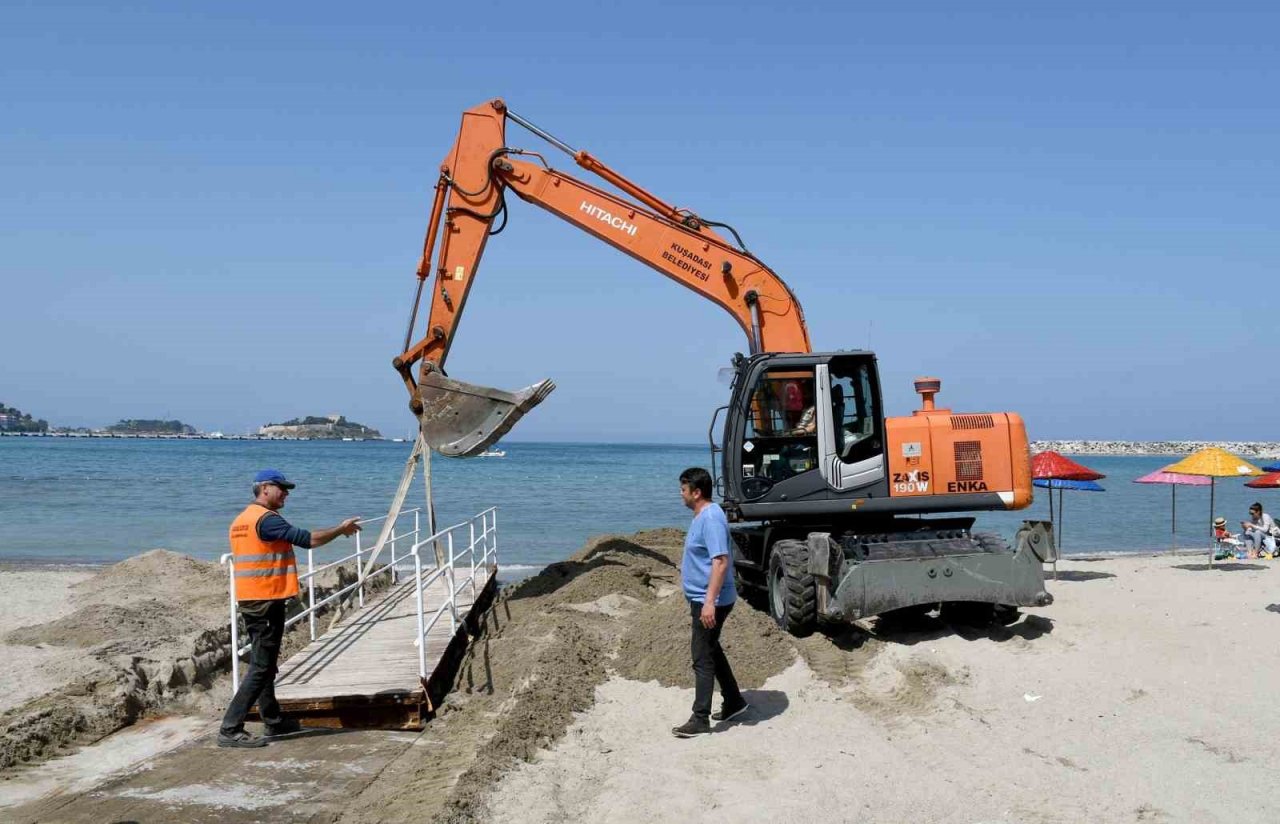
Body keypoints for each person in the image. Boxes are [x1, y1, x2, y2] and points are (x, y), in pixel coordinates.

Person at [218, 469, 362, 749]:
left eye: (287, 489)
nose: (286, 493)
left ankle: (273, 721)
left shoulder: (242, 519)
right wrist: (340, 530)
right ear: (264, 489)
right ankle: (230, 728)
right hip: (265, 600)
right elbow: (310, 540)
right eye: (281, 488)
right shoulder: (267, 520)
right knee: (261, 667)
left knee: (265, 664)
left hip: (252, 598)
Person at [671, 467, 748, 738]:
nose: (680, 494)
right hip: (703, 597)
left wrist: (709, 602)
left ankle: (700, 718)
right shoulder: (702, 515)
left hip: (710, 599)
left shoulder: (712, 518)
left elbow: (721, 560)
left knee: (701, 657)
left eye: (683, 489)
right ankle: (734, 701)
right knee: (712, 649)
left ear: (697, 492)